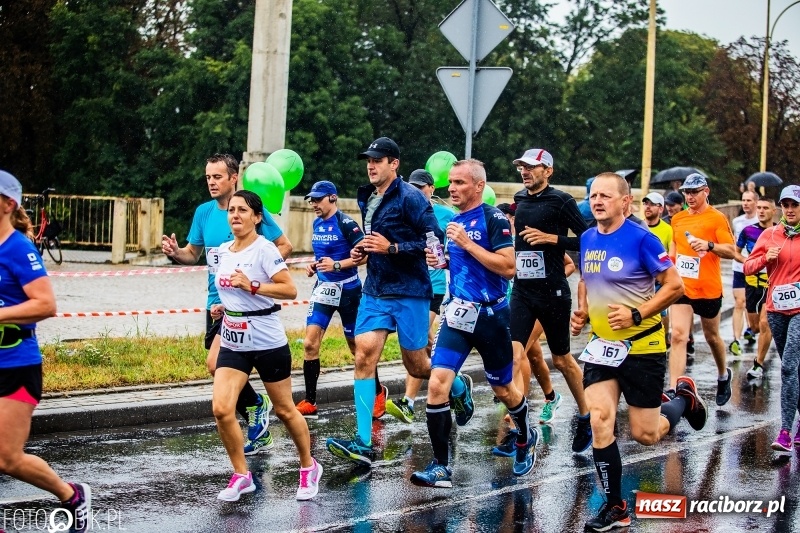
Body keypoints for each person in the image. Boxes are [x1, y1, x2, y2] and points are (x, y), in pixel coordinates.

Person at [570, 172, 706, 531]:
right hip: (602, 348)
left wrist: (636, 312)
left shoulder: (641, 239)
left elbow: (674, 286)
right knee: (600, 419)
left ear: (624, 202)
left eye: (606, 196)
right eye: (593, 195)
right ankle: (616, 508)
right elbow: (587, 279)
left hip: (643, 346)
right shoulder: (587, 237)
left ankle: (683, 401)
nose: (597, 201)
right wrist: (582, 312)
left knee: (645, 435)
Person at [410, 159, 537, 487]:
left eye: (460, 183)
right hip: (457, 314)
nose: (451, 188)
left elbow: (509, 267)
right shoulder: (455, 221)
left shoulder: (494, 219)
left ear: (478, 186)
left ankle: (525, 434)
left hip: (491, 317)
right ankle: (441, 467)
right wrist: (444, 260)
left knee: (503, 389)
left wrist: (467, 244)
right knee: (437, 384)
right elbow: (462, 265)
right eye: (450, 182)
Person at [161, 153, 292, 455]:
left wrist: (257, 269)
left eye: (217, 176)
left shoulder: (248, 209)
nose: (211, 182)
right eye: (208, 177)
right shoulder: (204, 213)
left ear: (234, 178)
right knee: (217, 367)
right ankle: (257, 409)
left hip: (246, 303)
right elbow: (191, 255)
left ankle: (258, 407)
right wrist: (174, 252)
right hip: (216, 303)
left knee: (214, 363)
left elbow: (284, 246)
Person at [326, 137, 443, 467]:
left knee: (416, 365)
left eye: (378, 160)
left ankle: (457, 385)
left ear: (395, 164)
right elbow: (372, 239)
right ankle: (363, 442)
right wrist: (361, 250)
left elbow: (433, 239)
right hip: (376, 290)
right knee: (363, 353)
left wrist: (393, 248)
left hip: (410, 291)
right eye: (368, 160)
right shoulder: (367, 196)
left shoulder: (411, 198)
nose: (371, 165)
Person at [211, 190, 322, 501]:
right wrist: (226, 306)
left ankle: (307, 466)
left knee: (286, 410)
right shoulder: (224, 250)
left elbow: (289, 289)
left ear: (257, 217)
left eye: (242, 210)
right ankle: (241, 475)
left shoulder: (264, 250)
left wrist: (252, 286)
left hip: (267, 341)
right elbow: (230, 289)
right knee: (221, 409)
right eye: (231, 210)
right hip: (234, 339)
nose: (235, 215)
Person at [0, 171, 92, 531]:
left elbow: (45, 305)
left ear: (8, 204)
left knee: (7, 458)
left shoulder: (19, 248)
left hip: (16, 365)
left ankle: (72, 495)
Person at [508, 148, 592, 454]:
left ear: (548, 171)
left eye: (531, 167)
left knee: (561, 360)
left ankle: (585, 416)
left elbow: (589, 237)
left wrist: (553, 239)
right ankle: (519, 430)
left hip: (553, 292)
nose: (525, 171)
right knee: (514, 355)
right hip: (523, 290)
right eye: (521, 167)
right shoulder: (520, 199)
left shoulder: (561, 200)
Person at [296, 180, 376, 419]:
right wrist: (315, 265)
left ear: (332, 198)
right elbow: (324, 255)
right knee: (310, 343)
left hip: (348, 291)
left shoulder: (346, 223)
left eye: (317, 199)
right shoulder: (316, 223)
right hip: (323, 289)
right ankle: (310, 402)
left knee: (358, 349)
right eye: (311, 199)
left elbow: (365, 256)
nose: (313, 204)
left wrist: (337, 265)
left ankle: (378, 392)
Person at [386, 169, 455, 424]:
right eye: (413, 186)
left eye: (421, 186)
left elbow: (457, 244)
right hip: (413, 285)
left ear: (432, 188)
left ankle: (409, 401)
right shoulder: (405, 209)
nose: (416, 190)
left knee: (417, 338)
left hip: (436, 286)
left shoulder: (446, 215)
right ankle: (453, 382)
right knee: (423, 342)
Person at [667, 173, 735, 406]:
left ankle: (723, 375)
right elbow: (675, 244)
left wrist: (709, 245)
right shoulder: (678, 219)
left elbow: (731, 250)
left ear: (706, 191)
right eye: (686, 192)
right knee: (677, 336)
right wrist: (671, 264)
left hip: (708, 288)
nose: (689, 197)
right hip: (683, 287)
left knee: (712, 336)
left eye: (694, 192)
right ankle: (674, 389)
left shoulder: (717, 218)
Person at [744, 185, 800, 451]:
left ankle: (785, 432)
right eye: (786, 205)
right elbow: (748, 267)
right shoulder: (770, 235)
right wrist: (766, 257)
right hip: (776, 309)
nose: (790, 210)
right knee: (794, 369)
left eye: (795, 205)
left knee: (788, 367)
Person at [738, 198, 775, 379]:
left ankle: (758, 364)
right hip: (752, 282)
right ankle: (764, 336)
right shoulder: (748, 231)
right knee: (754, 326)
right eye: (759, 207)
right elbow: (735, 251)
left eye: (765, 208)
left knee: (764, 323)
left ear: (773, 211)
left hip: (771, 284)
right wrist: (747, 262)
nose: (761, 211)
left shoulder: (778, 232)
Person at [729, 191, 759, 356]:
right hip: (739, 267)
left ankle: (751, 328)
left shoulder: (760, 222)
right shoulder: (736, 221)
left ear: (756, 202)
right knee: (739, 302)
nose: (745, 203)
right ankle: (736, 340)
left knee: (751, 303)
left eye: (749, 200)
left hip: (756, 270)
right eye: (743, 200)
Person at [643, 192, 674, 343]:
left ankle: (664, 337)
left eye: (651, 204)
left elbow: (672, 255)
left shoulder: (668, 230)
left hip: (660, 277)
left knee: (661, 310)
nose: (647, 207)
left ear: (661, 209)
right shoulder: (638, 226)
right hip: (642, 277)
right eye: (645, 203)